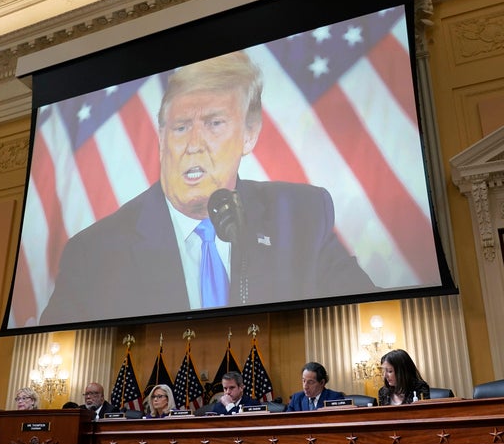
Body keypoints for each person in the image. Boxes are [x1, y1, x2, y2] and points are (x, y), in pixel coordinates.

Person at [40, 51, 374, 324]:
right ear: (161, 138)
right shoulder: (95, 253)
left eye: (214, 124)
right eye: (182, 127)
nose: (194, 145)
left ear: (250, 133)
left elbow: (364, 308)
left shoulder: (301, 215)